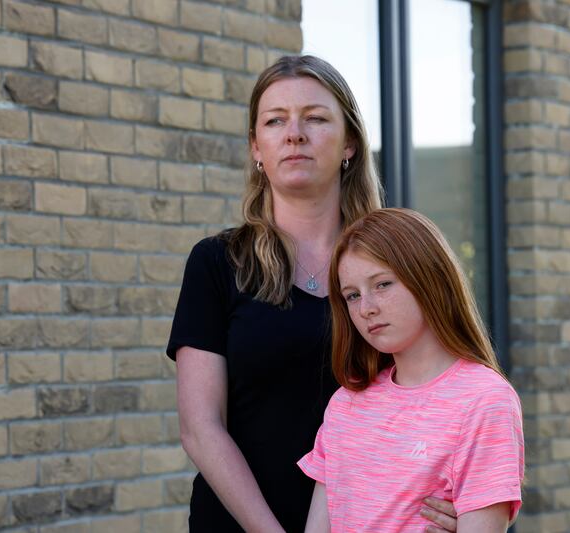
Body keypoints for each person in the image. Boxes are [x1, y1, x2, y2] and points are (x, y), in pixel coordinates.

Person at [167, 56, 457, 532]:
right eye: (275, 120)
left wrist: (473, 500)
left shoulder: (397, 259)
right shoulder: (217, 263)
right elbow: (201, 429)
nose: (294, 133)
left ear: (349, 144)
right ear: (256, 148)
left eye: (315, 118)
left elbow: (455, 390)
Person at [299, 208, 525, 533]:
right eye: (352, 295)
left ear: (429, 276)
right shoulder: (345, 406)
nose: (366, 308)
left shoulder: (484, 401)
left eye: (382, 284)